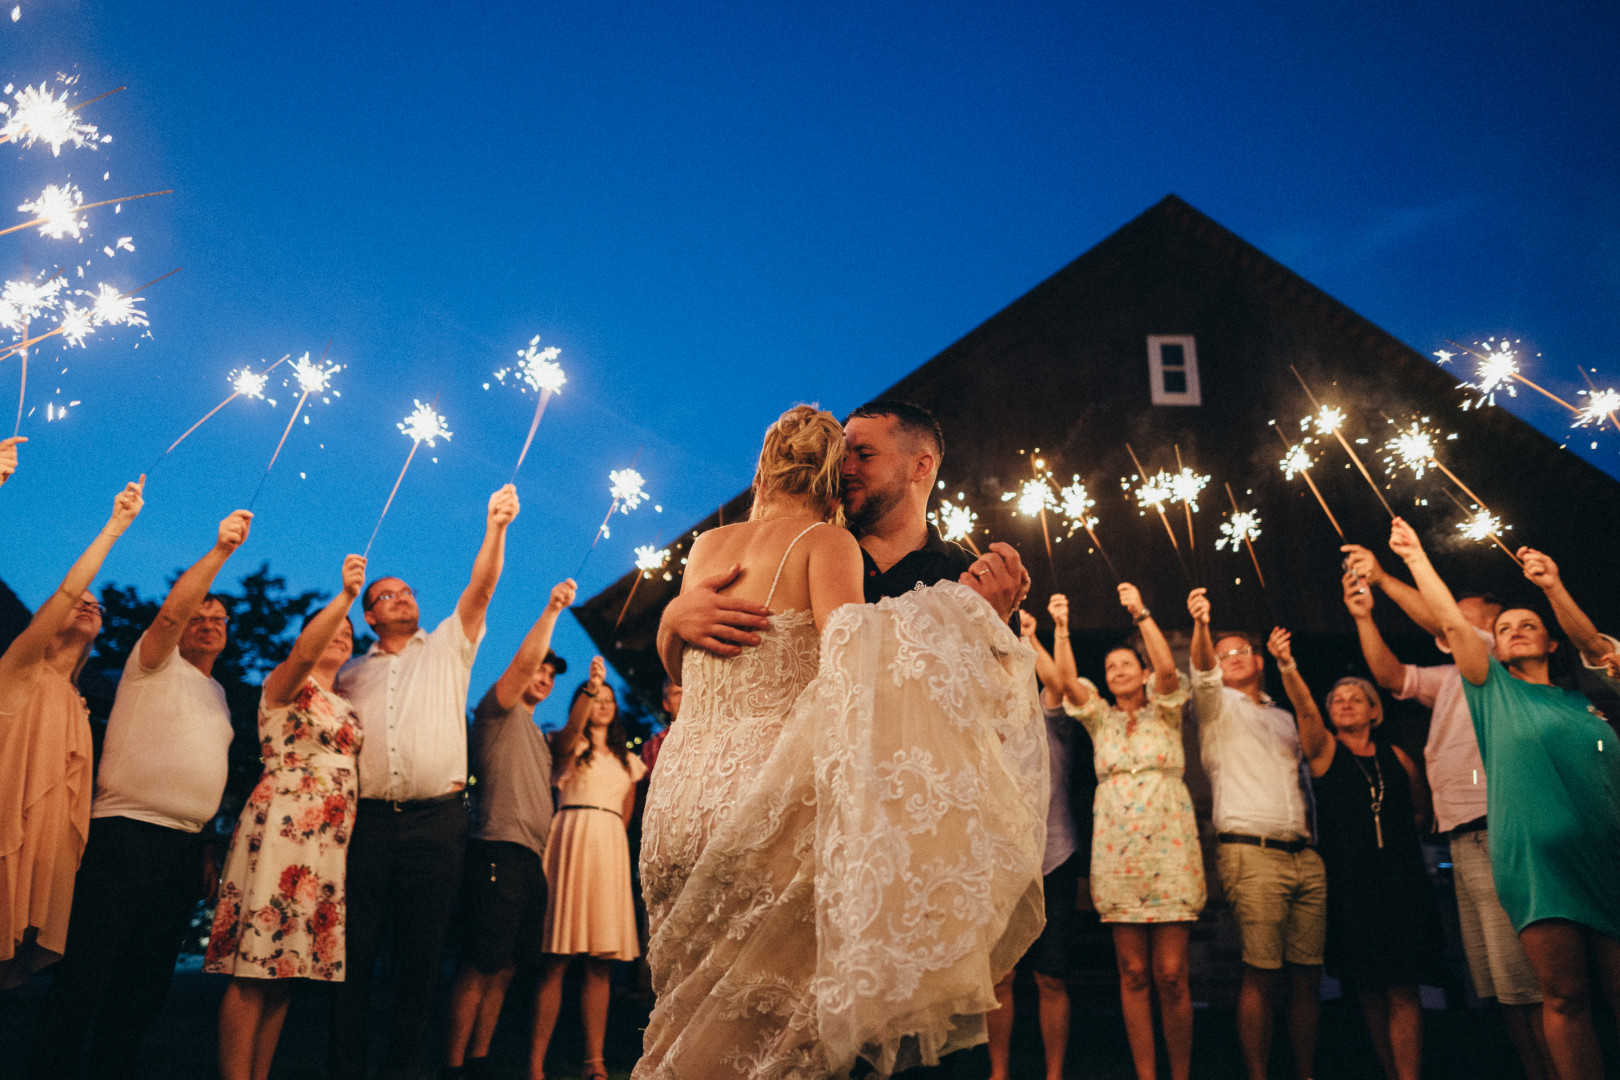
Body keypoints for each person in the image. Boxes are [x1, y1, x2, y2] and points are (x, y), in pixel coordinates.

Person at [641, 402, 1040, 1079]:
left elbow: (992, 718)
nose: (845, 466)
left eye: (864, 454)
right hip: (788, 821)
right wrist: (672, 620)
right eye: (842, 451)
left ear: (920, 467)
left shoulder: (964, 577)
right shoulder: (822, 545)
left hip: (899, 855)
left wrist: (985, 620)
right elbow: (710, 671)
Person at [1390, 519, 1620, 1080]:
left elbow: (1596, 647)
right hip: (1536, 864)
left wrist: (1552, 587)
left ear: (1552, 642)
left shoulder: (1589, 700)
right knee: (1564, 998)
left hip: (1607, 857)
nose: (1514, 631)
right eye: (1504, 627)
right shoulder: (1490, 689)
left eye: (1528, 624)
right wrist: (1415, 558)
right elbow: (1451, 622)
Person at [26, 508, 252, 1079]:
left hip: (182, 849)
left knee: (145, 986)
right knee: (88, 975)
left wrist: (205, 847)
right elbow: (173, 611)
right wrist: (221, 551)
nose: (208, 622)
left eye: (219, 618)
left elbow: (203, 772)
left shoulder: (220, 696)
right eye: (199, 615)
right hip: (125, 836)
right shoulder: (153, 663)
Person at [1339, 550, 1552, 1079]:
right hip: (1461, 834)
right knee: (1500, 986)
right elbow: (1391, 676)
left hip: (1495, 827)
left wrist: (1384, 577)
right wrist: (1364, 618)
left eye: (1460, 612)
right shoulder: (1454, 676)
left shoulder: (1495, 660)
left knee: (1523, 982)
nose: (1446, 615)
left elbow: (1443, 621)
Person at [331, 484, 519, 1080]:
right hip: (368, 824)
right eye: (387, 595)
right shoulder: (348, 674)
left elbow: (481, 589)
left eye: (408, 591)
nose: (402, 598)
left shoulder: (446, 648)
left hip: (438, 822)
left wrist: (496, 526)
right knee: (356, 953)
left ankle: (405, 1068)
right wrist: (342, 594)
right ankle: (347, 1066)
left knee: (421, 956)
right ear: (369, 614)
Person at [205, 553, 367, 1080]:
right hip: (282, 829)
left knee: (286, 970)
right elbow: (302, 654)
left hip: (325, 846)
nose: (341, 634)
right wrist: (346, 597)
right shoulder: (287, 682)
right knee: (254, 968)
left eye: (349, 631)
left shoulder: (346, 704)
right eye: (332, 627)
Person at [1267, 625, 1441, 1080]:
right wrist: (1287, 666)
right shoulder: (1324, 752)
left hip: (1400, 882)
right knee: (1369, 989)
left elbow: (1421, 813)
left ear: (1374, 710)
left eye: (1356, 698)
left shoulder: (1398, 758)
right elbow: (1305, 709)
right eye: (1338, 700)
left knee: (1403, 986)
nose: (1345, 704)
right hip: (1350, 884)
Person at [0, 476, 143, 987]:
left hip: (44, 851)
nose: (88, 605)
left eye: (97, 605)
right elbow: (67, 589)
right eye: (77, 601)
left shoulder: (78, 704)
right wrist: (116, 525)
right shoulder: (19, 670)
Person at [1059, 583, 1203, 1080]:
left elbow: (1169, 670)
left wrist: (1141, 612)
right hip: (1117, 853)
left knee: (1171, 974)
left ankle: (1179, 1074)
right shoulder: (1100, 720)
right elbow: (1066, 683)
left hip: (1170, 849)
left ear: (1142, 674)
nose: (1118, 671)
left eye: (1126, 665)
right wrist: (1060, 628)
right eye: (1110, 667)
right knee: (1135, 972)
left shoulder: (1166, 709)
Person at [1187, 587, 1325, 1080]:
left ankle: (1305, 1071)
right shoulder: (1215, 706)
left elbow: (1316, 740)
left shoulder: (1283, 715)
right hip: (1251, 851)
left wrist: (1290, 667)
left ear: (1259, 659)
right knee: (1261, 971)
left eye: (1242, 651)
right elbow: (1202, 671)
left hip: (1304, 853)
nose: (1233, 659)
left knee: (1307, 975)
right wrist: (1202, 624)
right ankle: (1257, 1074)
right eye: (1225, 655)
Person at [443, 578, 575, 1080]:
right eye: (540, 668)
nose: (544, 677)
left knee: (507, 967)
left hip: (530, 860)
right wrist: (552, 610)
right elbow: (521, 665)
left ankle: (479, 1061)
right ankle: (453, 1065)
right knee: (480, 963)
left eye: (551, 675)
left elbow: (572, 738)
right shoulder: (496, 711)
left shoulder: (539, 736)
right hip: (496, 850)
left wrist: (588, 690)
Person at [530, 657, 644, 1080]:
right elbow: (565, 739)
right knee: (556, 959)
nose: (604, 704)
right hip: (570, 841)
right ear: (584, 702)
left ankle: (594, 1061)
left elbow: (625, 814)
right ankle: (535, 1064)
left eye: (609, 699)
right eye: (597, 698)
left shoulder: (627, 761)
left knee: (601, 962)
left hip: (607, 850)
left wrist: (607, 842)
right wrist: (592, 684)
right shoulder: (568, 747)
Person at [988, 595, 1086, 1080]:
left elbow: (1060, 684)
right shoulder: (984, 718)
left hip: (1055, 857)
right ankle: (999, 1072)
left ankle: (1055, 1073)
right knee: (1000, 978)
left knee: (1051, 978)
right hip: (999, 861)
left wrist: (1029, 635)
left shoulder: (1049, 713)